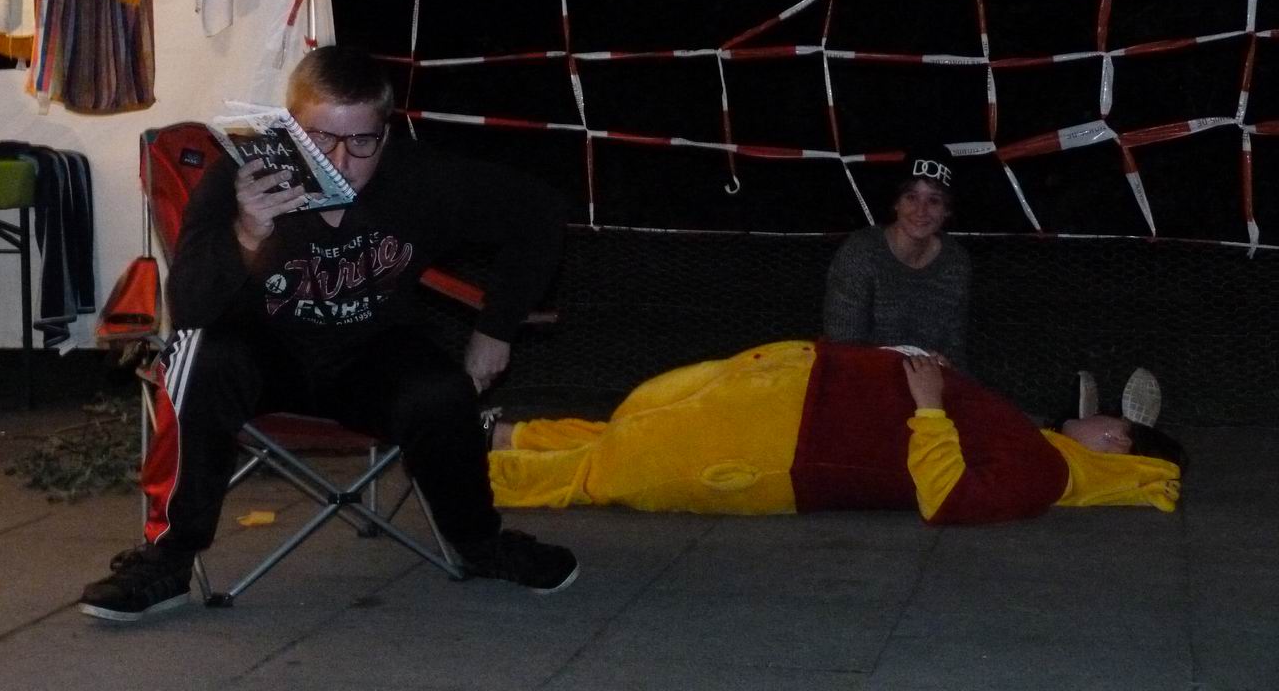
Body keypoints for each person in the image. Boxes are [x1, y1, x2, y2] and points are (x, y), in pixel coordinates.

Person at [79, 45, 578, 622]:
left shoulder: (421, 178)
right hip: (262, 351)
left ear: (385, 134)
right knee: (200, 356)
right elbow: (189, 307)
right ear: (290, 130)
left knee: (441, 393)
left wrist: (496, 329)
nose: (341, 160)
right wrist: (246, 233)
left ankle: (480, 543)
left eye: (361, 141)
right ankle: (168, 560)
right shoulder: (240, 179)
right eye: (320, 140)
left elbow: (540, 211)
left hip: (371, 352)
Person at [486, 340, 1183, 523]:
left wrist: (930, 407)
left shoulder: (1048, 472)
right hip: (794, 390)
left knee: (618, 465)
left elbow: (951, 501)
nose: (1094, 414)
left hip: (786, 445)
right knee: (630, 427)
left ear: (1117, 442)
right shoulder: (1040, 447)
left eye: (1109, 418)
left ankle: (467, 473)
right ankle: (505, 437)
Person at [823, 150, 971, 370]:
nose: (921, 211)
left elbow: (955, 347)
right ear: (896, 203)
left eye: (934, 200)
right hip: (863, 372)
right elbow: (843, 344)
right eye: (911, 197)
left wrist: (946, 364)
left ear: (947, 210)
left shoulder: (956, 262)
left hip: (926, 377)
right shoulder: (861, 252)